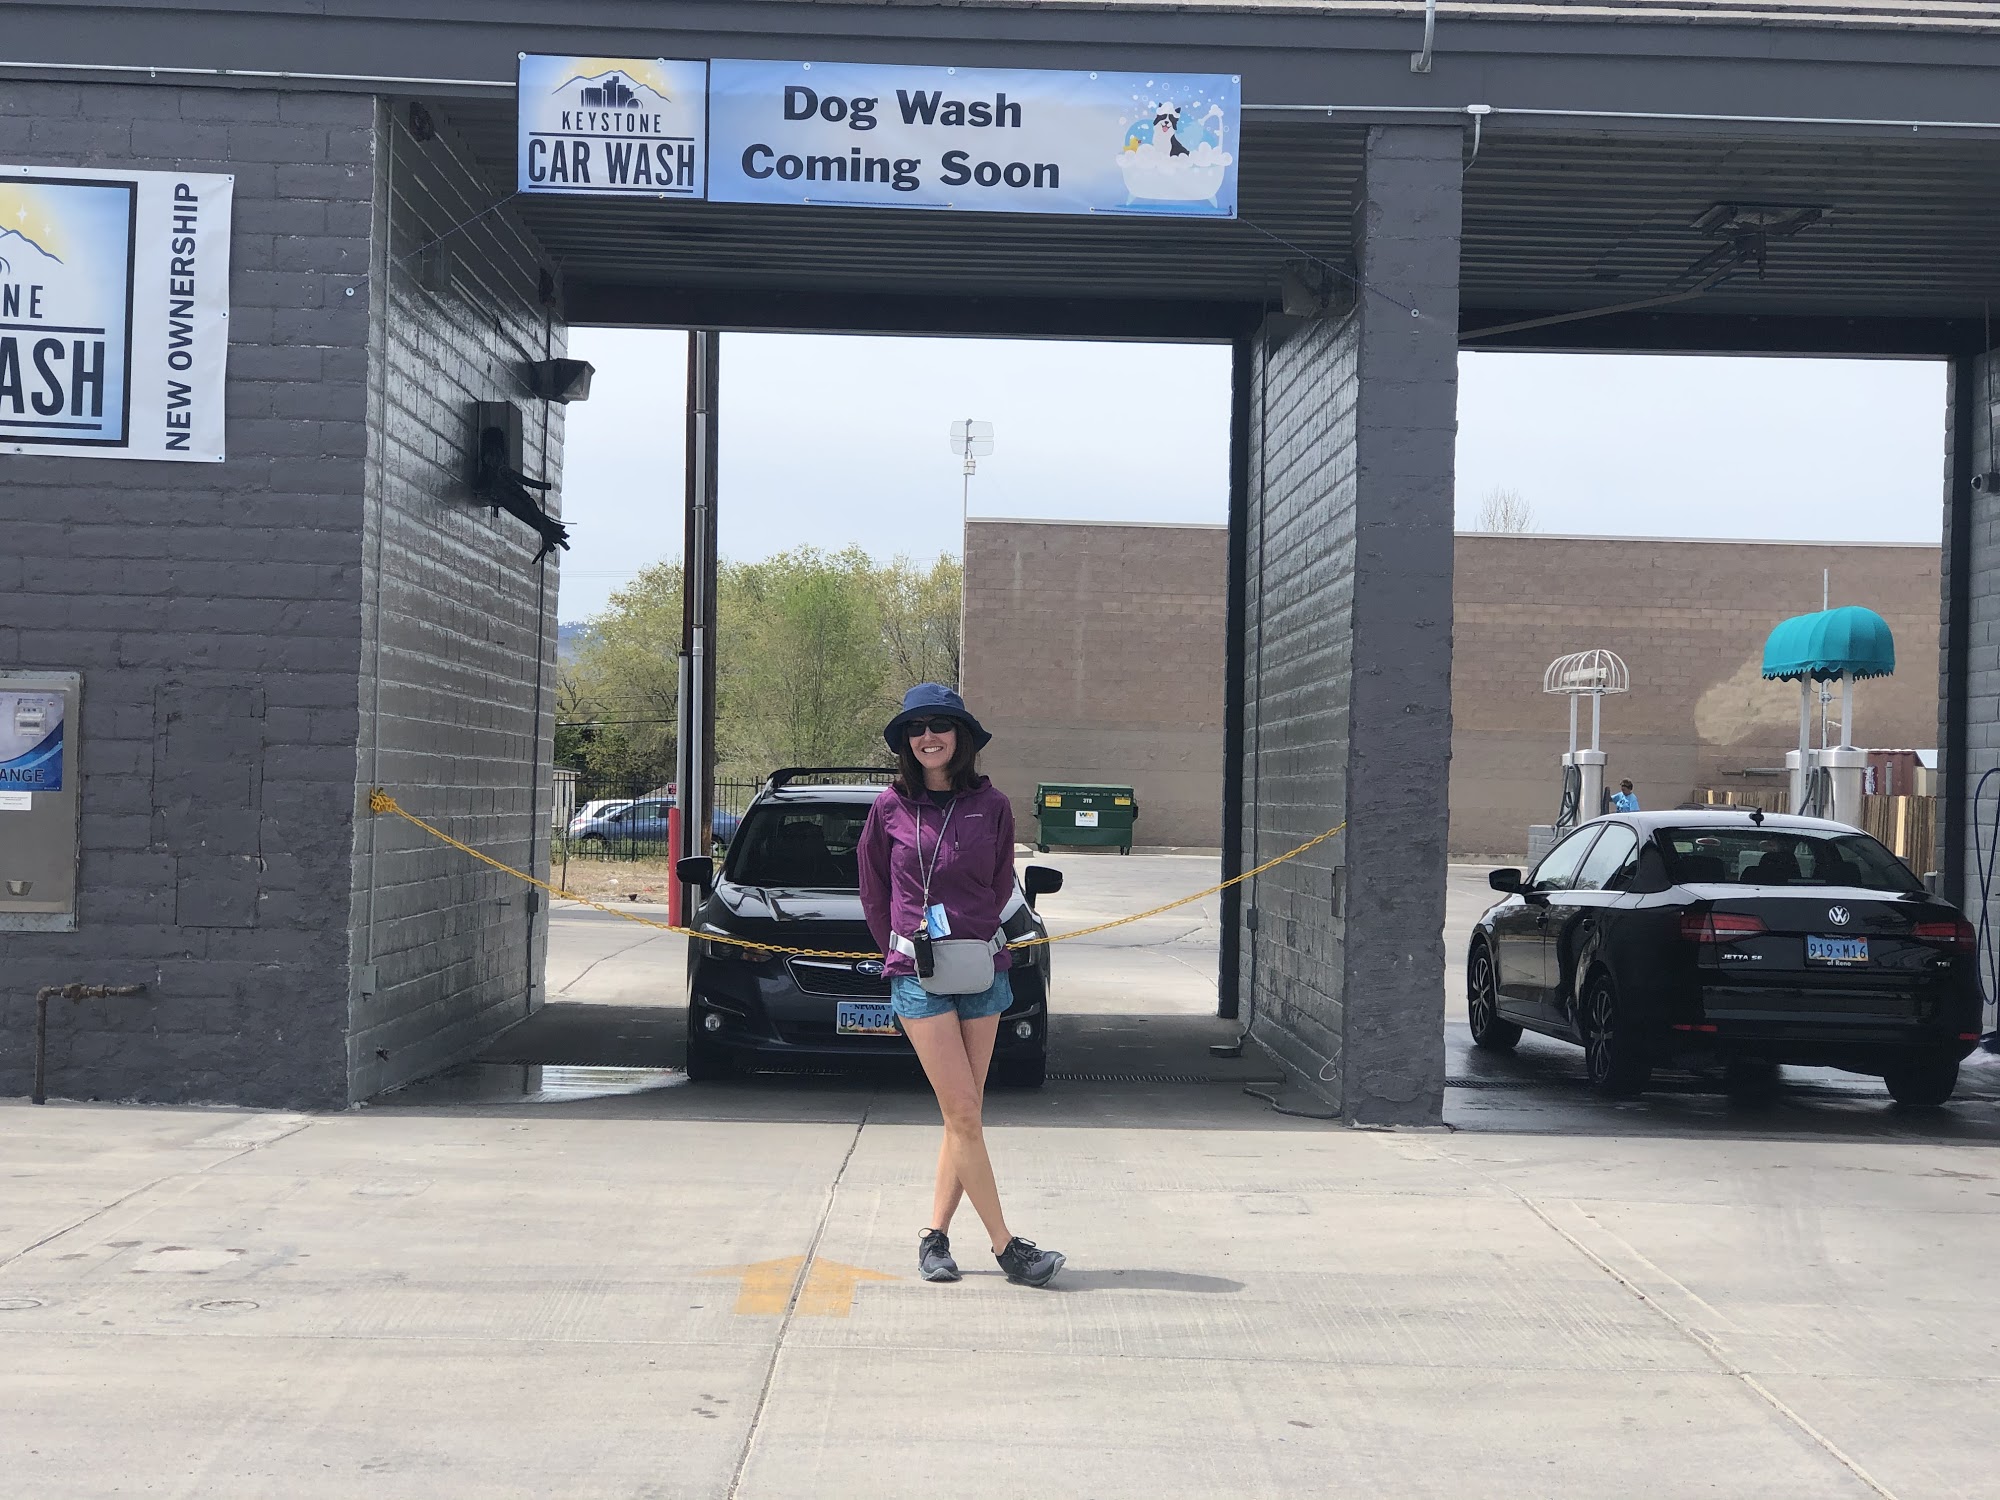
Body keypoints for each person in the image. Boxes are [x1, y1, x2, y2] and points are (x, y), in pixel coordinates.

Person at [858, 683, 1066, 1289]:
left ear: (962, 736)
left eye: (940, 726)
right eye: (916, 728)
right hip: (918, 975)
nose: (929, 737)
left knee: (964, 1115)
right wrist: (900, 944)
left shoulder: (992, 805)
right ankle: (1007, 1248)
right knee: (965, 1114)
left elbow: (1000, 884)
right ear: (906, 742)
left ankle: (935, 1238)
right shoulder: (889, 808)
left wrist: (978, 934)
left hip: (981, 970)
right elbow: (873, 889)